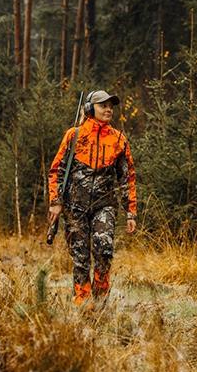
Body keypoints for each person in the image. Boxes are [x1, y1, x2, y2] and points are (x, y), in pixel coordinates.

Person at [47, 89, 137, 306]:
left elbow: (127, 178)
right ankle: (83, 303)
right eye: (102, 105)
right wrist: (56, 202)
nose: (108, 109)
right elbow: (57, 170)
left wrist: (131, 212)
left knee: (104, 250)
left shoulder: (119, 139)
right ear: (89, 108)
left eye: (110, 106)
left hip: (104, 205)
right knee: (80, 257)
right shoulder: (74, 135)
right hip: (74, 206)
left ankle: (101, 300)